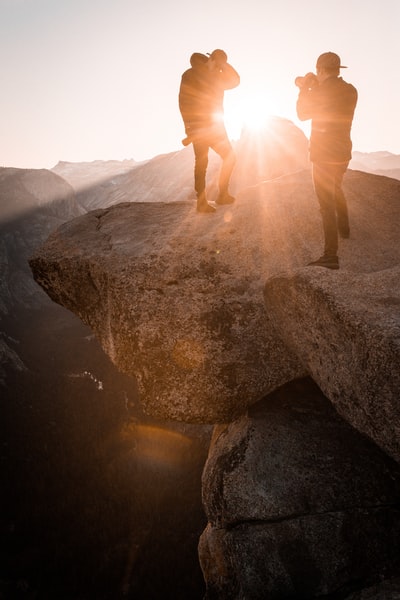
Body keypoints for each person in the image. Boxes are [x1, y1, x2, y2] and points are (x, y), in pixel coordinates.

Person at [295, 52, 358, 269]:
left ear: (321, 70)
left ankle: (331, 255)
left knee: (325, 205)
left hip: (322, 154)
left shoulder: (318, 91)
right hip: (342, 153)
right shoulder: (351, 90)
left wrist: (305, 88)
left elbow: (302, 114)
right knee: (336, 186)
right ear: (338, 69)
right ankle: (345, 227)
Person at [179, 49, 240, 213]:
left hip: (216, 126)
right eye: (219, 62)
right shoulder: (190, 75)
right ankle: (201, 202)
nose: (221, 66)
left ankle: (223, 195)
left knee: (230, 157)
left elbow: (235, 81)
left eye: (223, 63)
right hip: (198, 126)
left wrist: (225, 66)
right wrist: (189, 128)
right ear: (211, 58)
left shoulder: (218, 76)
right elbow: (183, 102)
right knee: (201, 163)